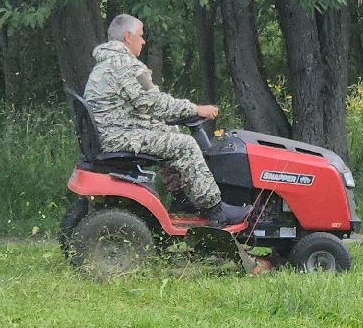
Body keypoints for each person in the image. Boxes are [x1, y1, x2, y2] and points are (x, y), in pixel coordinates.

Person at [84, 14, 249, 226]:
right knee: (186, 145)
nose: (143, 41)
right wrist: (196, 109)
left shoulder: (106, 63)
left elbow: (144, 107)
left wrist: (176, 117)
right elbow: (155, 104)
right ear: (128, 36)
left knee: (169, 132)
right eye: (141, 36)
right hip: (118, 137)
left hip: (111, 132)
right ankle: (216, 210)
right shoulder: (126, 65)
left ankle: (182, 200)